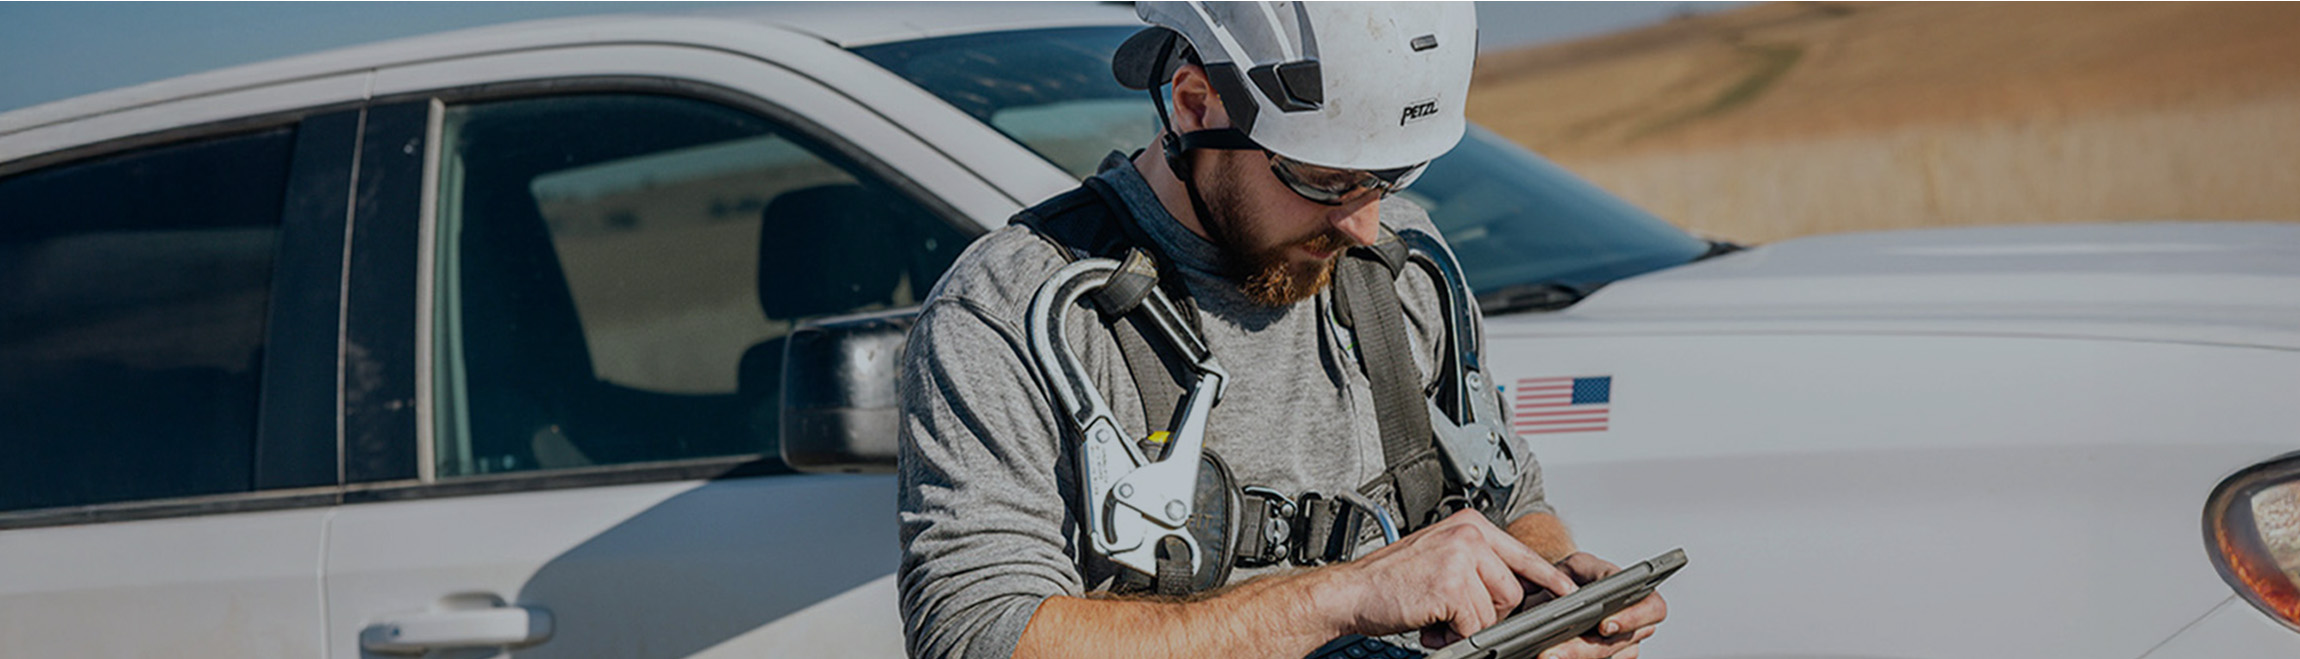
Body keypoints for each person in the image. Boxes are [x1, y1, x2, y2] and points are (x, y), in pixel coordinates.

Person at [896, 3, 1666, 658]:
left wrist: (1552, 587)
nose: (1364, 223)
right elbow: (976, 633)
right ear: (1196, 105)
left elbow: (1507, 495)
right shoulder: (1016, 307)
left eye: (1391, 179)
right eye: (1324, 180)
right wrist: (1345, 596)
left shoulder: (1405, 264)